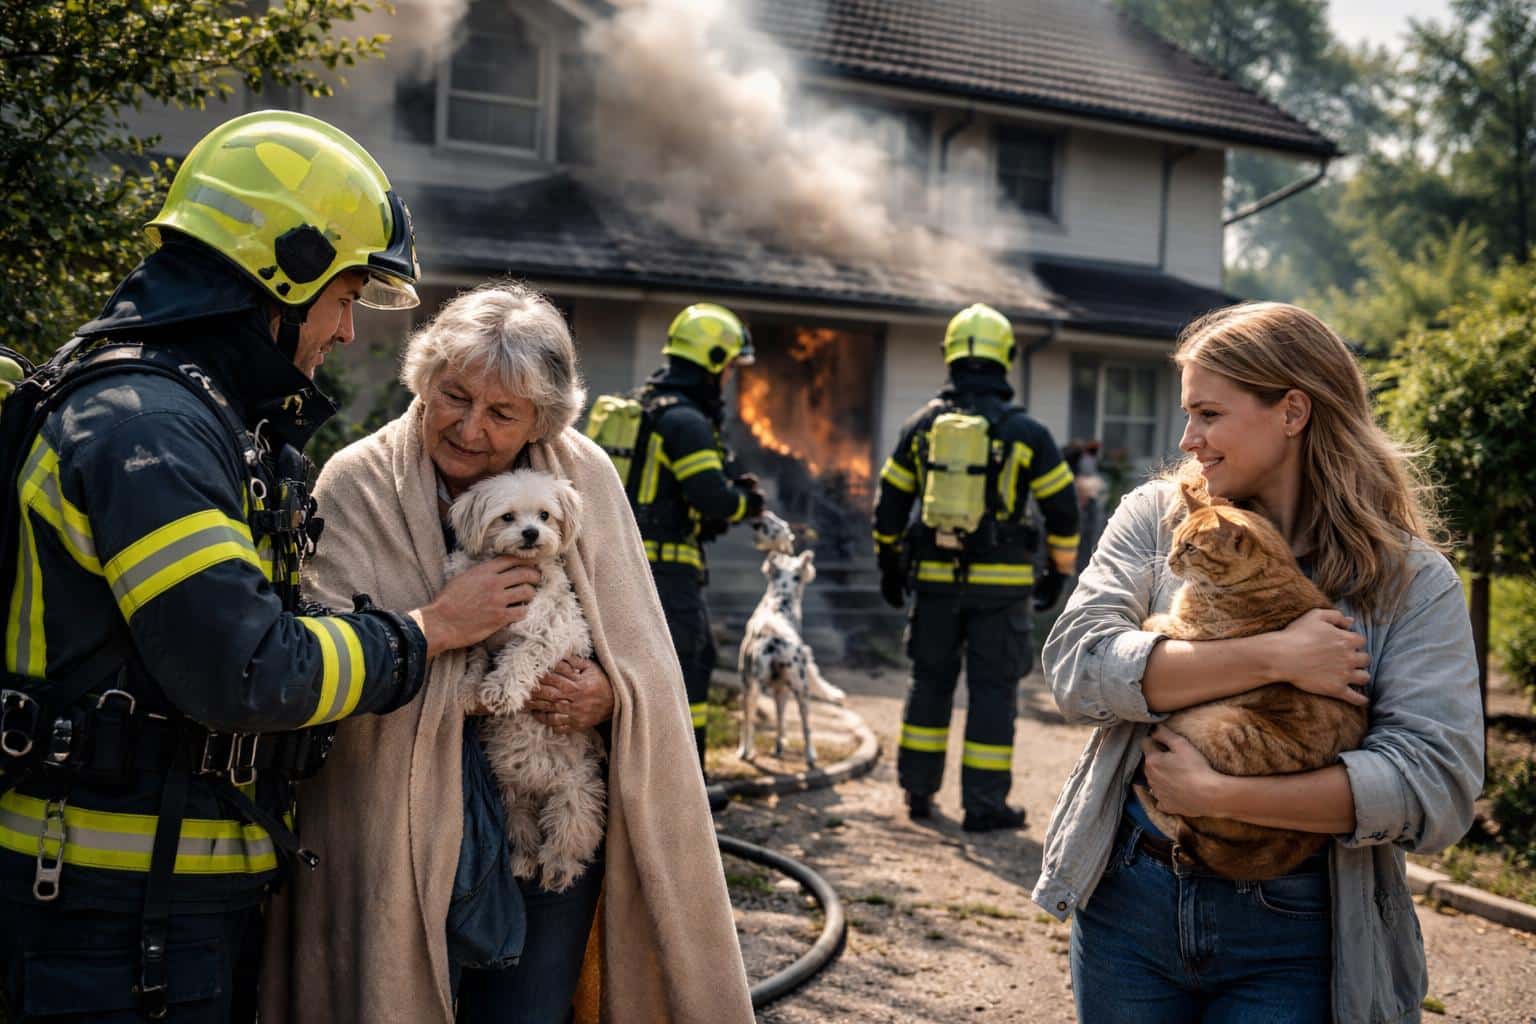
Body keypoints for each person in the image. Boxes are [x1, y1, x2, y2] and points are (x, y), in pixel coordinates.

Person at [0, 111, 527, 1021]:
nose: (350, 332)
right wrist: (428, 629)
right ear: (281, 275)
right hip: (105, 915)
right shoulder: (148, 431)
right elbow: (246, 670)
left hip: (149, 901)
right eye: (346, 297)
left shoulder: (181, 414)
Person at [259, 282, 755, 1024]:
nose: (468, 427)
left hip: (548, 800)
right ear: (425, 381)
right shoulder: (358, 482)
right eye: (454, 396)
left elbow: (644, 653)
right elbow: (316, 656)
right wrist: (440, 623)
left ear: (540, 420)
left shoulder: (583, 477)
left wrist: (610, 694)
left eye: (501, 413)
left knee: (526, 1009)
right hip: (395, 818)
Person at [1033, 302, 1483, 1023]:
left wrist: (1222, 795)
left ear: (1294, 411)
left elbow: (1435, 785)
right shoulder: (1158, 516)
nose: (1189, 439)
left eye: (1209, 413)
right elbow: (1077, 666)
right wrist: (1275, 655)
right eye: (1189, 414)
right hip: (1129, 899)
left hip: (1299, 926)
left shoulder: (1409, 579)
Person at [872, 303, 1080, 832]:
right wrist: (1058, 572)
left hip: (935, 586)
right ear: (1006, 358)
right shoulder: (1027, 432)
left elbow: (890, 505)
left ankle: (918, 793)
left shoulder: (921, 427)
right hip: (1004, 592)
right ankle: (984, 806)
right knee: (992, 693)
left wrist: (890, 564)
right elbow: (1063, 509)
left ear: (950, 356)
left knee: (929, 683)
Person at [619, 303, 767, 767]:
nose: (728, 379)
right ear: (713, 362)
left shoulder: (644, 405)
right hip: (666, 573)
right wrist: (749, 503)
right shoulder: (686, 421)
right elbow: (712, 500)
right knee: (688, 670)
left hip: (623, 565)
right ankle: (684, 794)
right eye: (727, 369)